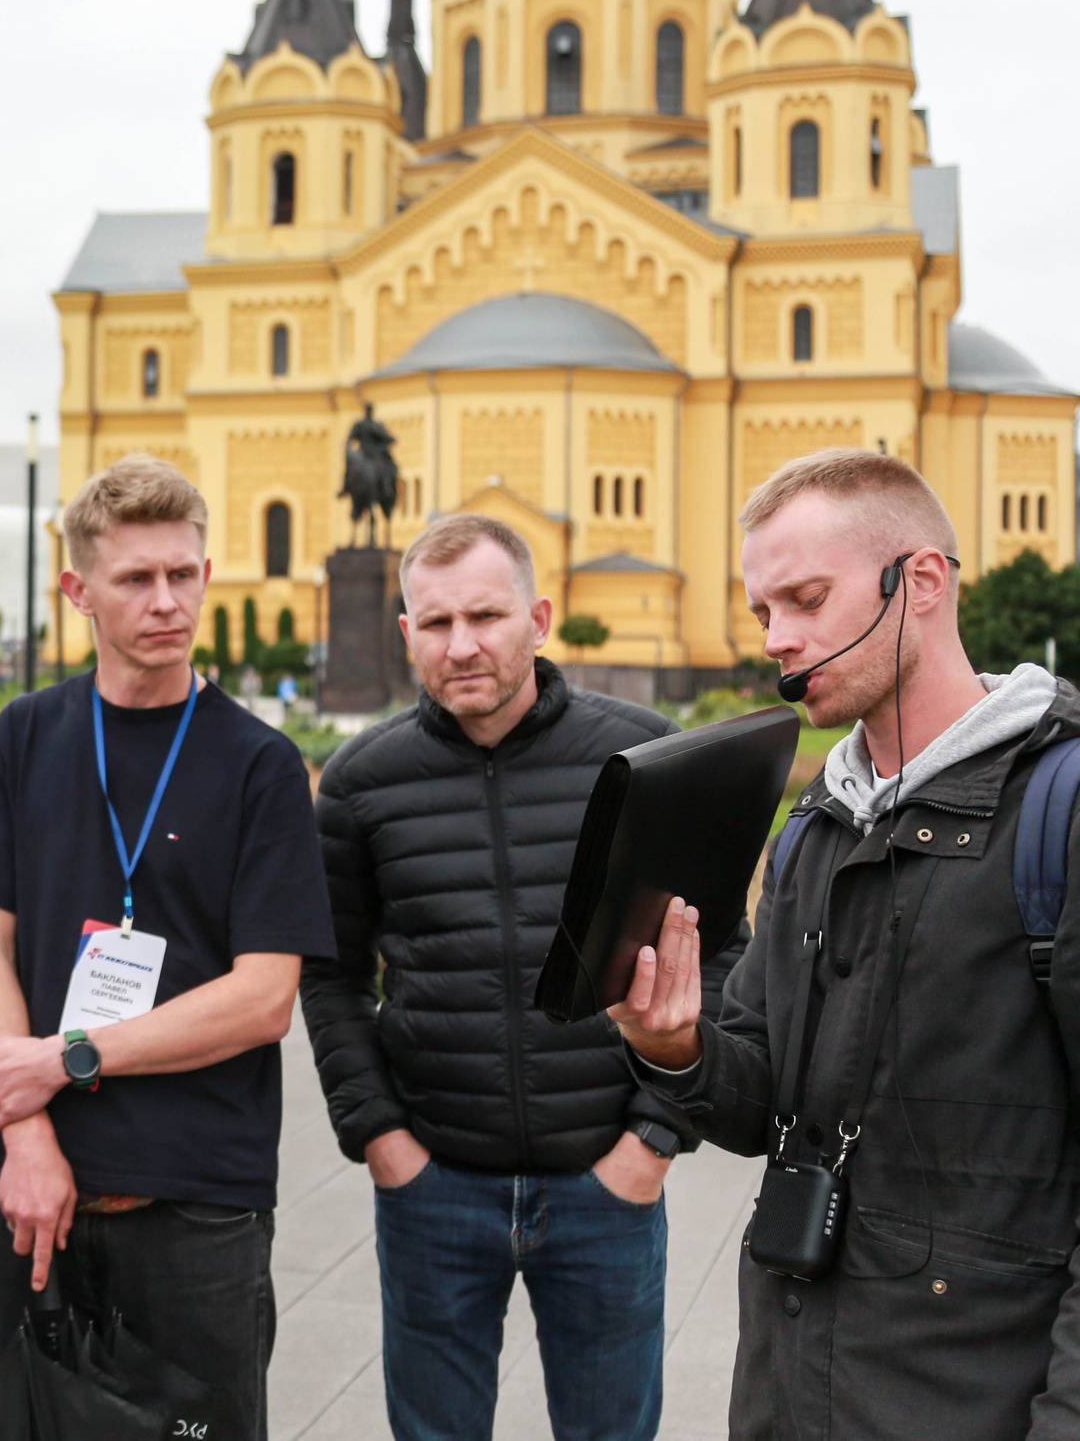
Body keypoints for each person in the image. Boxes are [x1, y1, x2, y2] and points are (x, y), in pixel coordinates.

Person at [614, 447, 1080, 1439]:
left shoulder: (1059, 810)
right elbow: (760, 1103)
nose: (776, 639)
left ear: (918, 583)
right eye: (759, 613)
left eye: (805, 599)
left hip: (978, 1401)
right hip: (791, 1390)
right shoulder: (812, 826)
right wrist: (674, 1048)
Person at [302, 511, 741, 1441]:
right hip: (434, 1187)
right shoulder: (358, 782)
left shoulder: (645, 756)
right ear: (406, 633)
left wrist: (654, 1140)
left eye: (487, 616)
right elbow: (332, 976)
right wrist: (381, 1140)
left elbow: (725, 951)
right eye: (435, 623)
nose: (462, 645)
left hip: (607, 1183)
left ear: (539, 617)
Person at [0, 454, 334, 1441]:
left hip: (196, 1203)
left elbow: (263, 998)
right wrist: (24, 1134)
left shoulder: (260, 765)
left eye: (183, 574)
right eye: (135, 579)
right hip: (32, 1187)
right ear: (76, 590)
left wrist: (66, 1060)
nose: (167, 601)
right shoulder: (28, 734)